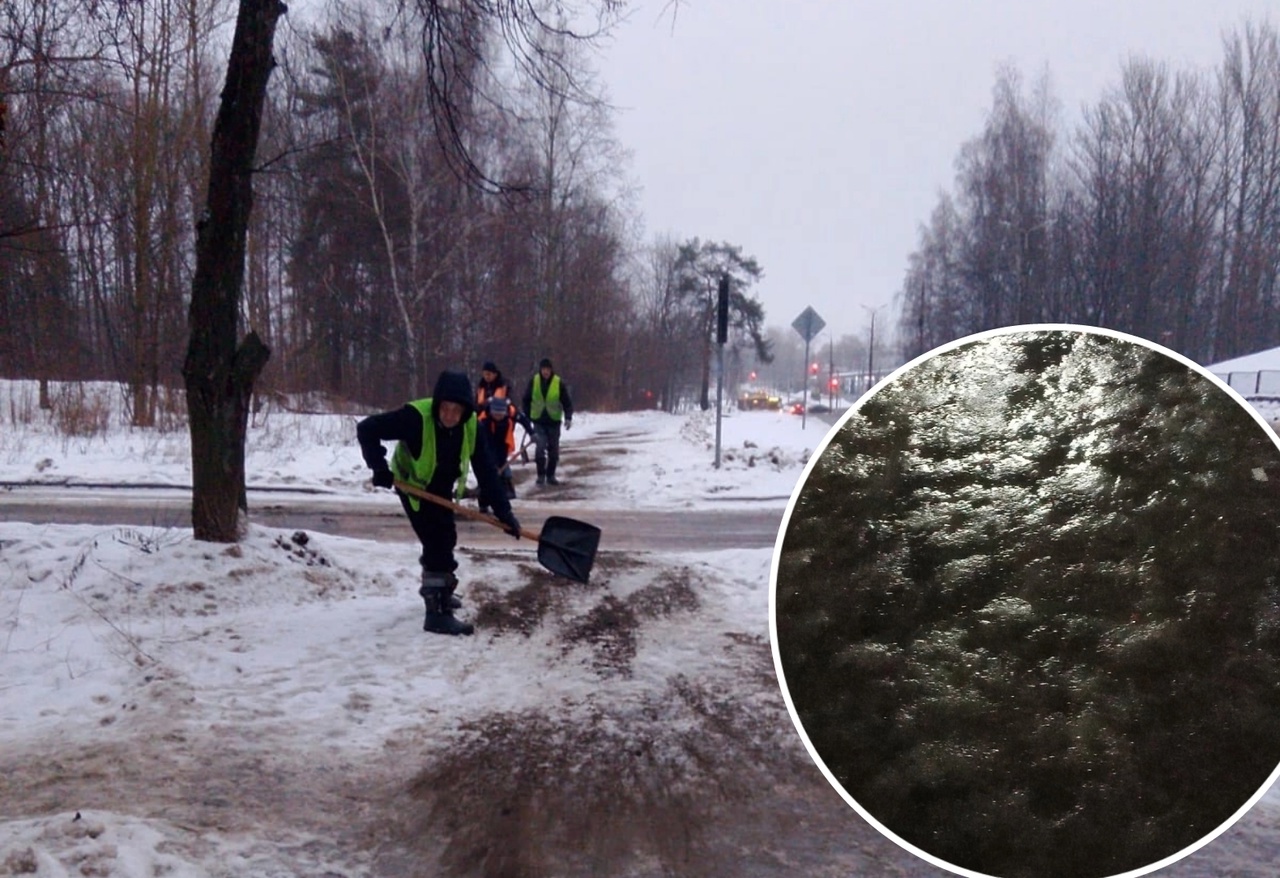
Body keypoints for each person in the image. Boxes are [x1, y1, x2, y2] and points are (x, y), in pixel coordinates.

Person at [357, 369, 520, 636]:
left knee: (446, 535)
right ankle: (436, 612)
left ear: (465, 411)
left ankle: (440, 589)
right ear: (437, 404)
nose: (450, 416)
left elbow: (487, 471)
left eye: (457, 411)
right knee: (436, 542)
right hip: (413, 485)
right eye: (445, 408)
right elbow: (367, 429)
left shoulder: (471, 427)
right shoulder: (415, 417)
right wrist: (379, 468)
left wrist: (505, 514)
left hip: (441, 486)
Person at [521, 357, 573, 486]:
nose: (545, 372)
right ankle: (540, 475)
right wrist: (526, 415)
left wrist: (568, 417)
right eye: (543, 369)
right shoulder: (534, 381)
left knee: (553, 451)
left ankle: (551, 475)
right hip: (538, 421)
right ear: (540, 369)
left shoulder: (558, 382)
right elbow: (526, 399)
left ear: (551, 370)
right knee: (540, 449)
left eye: (548, 369)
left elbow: (566, 401)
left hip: (554, 421)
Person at [477, 394, 533, 512]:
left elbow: (523, 420)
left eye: (500, 414)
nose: (498, 416)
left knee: (502, 473)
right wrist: (492, 464)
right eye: (496, 414)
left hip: (503, 443)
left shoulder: (511, 413)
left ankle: (504, 502)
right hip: (486, 445)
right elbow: (487, 445)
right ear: (491, 412)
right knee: (487, 477)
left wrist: (532, 433)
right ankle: (483, 503)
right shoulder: (484, 420)